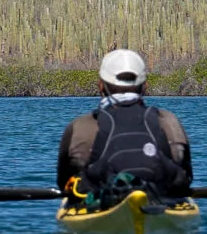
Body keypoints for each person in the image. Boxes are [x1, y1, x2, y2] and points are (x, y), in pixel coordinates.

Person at [57, 49, 193, 202]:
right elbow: (187, 176)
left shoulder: (79, 126)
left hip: (102, 205)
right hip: (159, 203)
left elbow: (63, 183)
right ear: (145, 86)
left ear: (101, 86)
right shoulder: (169, 121)